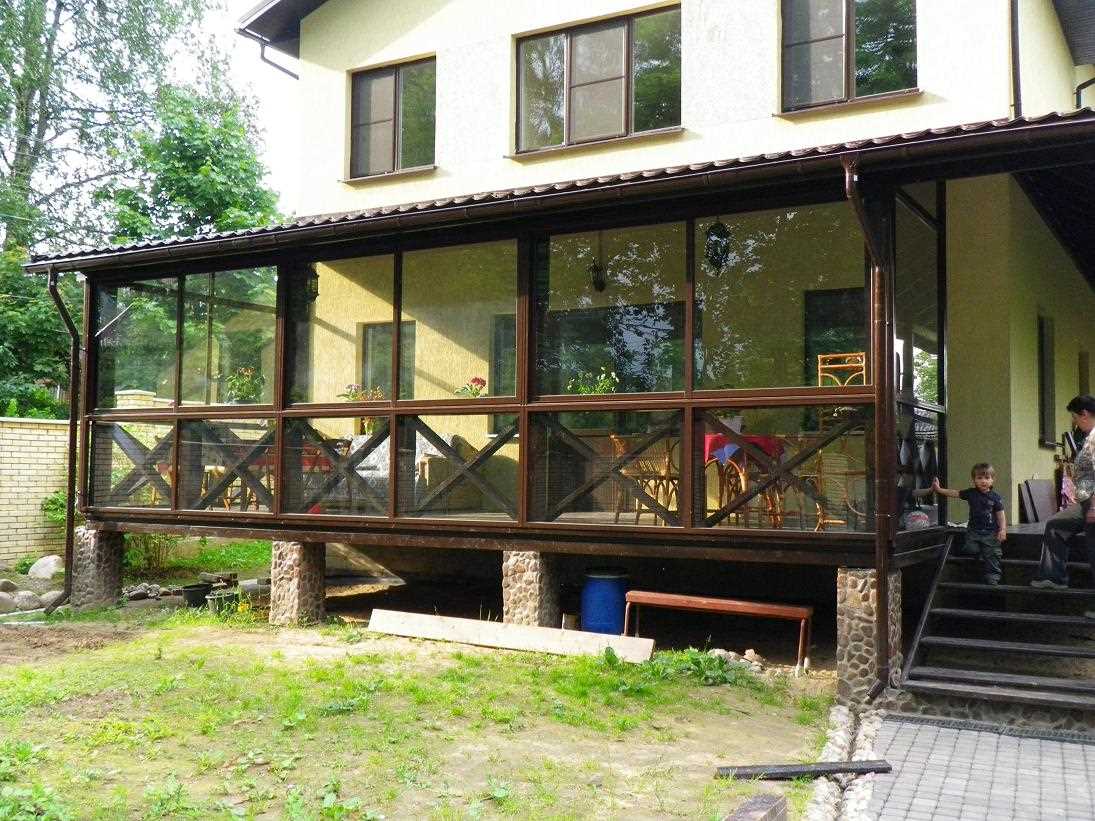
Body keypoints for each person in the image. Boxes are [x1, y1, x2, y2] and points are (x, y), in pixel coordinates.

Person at [1031, 395, 1095, 601]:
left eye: (1075, 417)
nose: (1074, 422)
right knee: (1055, 525)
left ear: (1084, 414)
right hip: (1086, 503)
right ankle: (1052, 577)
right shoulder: (1086, 438)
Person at [932, 464, 1006, 585]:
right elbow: (955, 493)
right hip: (974, 531)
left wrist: (1002, 529)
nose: (983, 481)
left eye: (987, 478)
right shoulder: (971, 493)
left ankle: (993, 576)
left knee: (993, 554)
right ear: (974, 480)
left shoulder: (995, 497)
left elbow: (1000, 515)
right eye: (979, 478)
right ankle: (981, 551)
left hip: (990, 532)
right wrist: (939, 490)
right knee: (970, 549)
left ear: (992, 480)